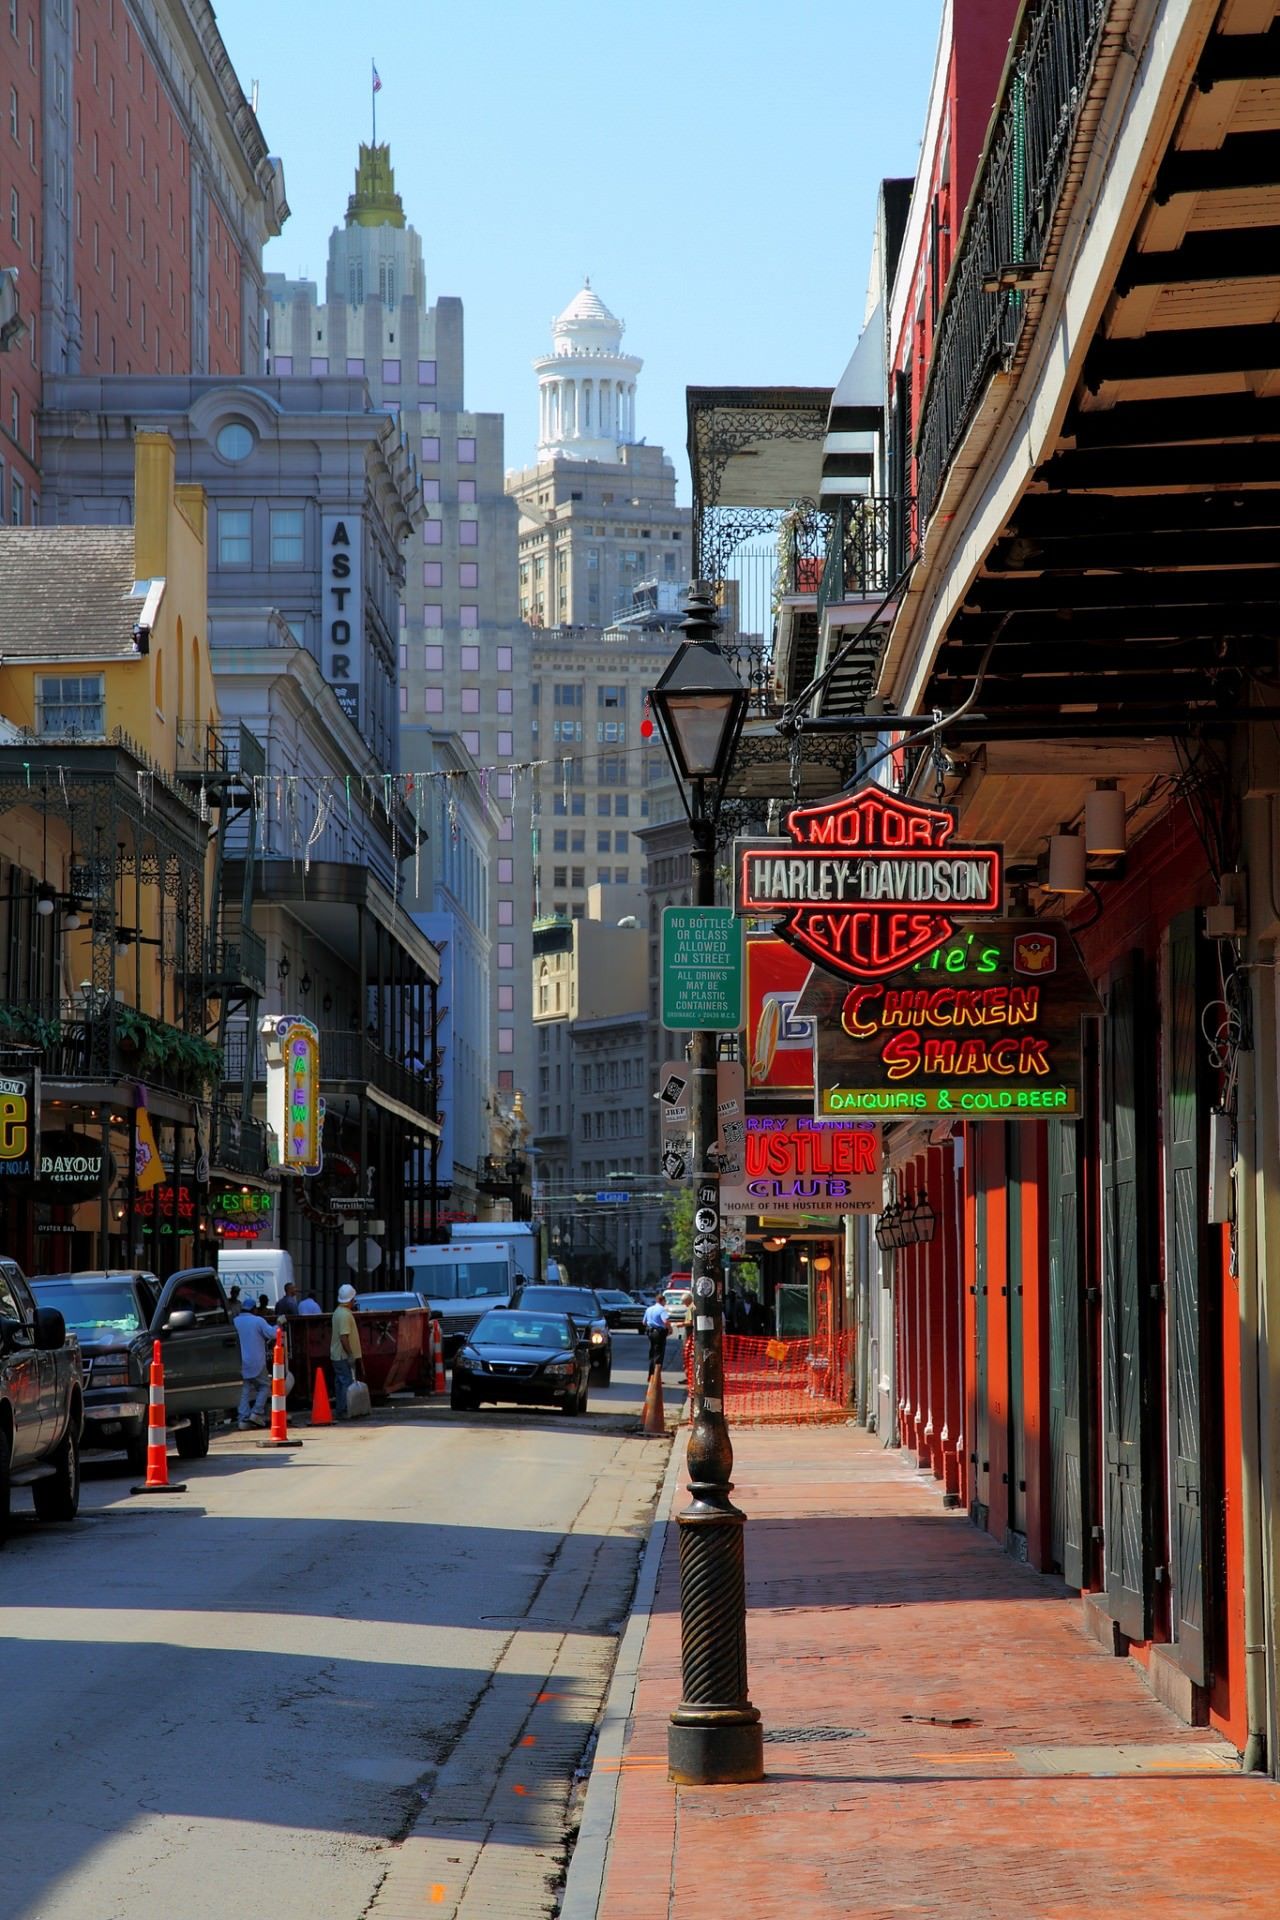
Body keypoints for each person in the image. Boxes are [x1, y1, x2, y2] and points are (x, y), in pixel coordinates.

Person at [235, 1296, 273, 1429]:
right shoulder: (258, 1321)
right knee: (264, 1386)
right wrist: (279, 1324)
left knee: (243, 1390)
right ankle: (256, 1412)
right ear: (254, 1309)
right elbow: (273, 1334)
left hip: (240, 1362)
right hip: (256, 1361)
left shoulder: (235, 1322)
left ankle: (243, 1419)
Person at [330, 1281, 362, 1418]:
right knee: (346, 1383)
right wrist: (350, 1355)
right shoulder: (345, 1315)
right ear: (350, 1299)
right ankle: (343, 1410)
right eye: (353, 1298)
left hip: (337, 1355)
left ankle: (340, 1409)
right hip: (342, 1356)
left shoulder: (339, 1312)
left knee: (340, 1382)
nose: (355, 1301)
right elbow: (344, 1338)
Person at [642, 1296, 671, 1377]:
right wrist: (670, 1329)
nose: (665, 1303)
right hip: (659, 1332)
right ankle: (656, 1376)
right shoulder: (662, 1309)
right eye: (665, 1301)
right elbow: (665, 1321)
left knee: (652, 1353)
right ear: (662, 1301)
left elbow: (644, 1322)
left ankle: (651, 1375)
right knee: (659, 1354)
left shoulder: (649, 1309)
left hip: (650, 1331)